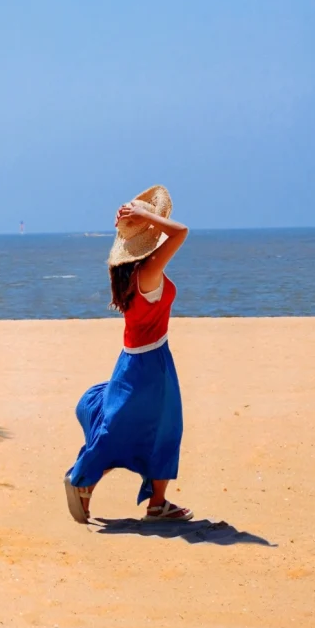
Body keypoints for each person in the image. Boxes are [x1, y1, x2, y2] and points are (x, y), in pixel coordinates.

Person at [64, 185, 192, 524]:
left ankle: (92, 484)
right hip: (151, 364)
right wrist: (148, 217)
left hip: (131, 361)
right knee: (163, 430)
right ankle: (88, 479)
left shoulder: (125, 273)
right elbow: (181, 233)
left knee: (126, 429)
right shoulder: (148, 272)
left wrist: (141, 221)